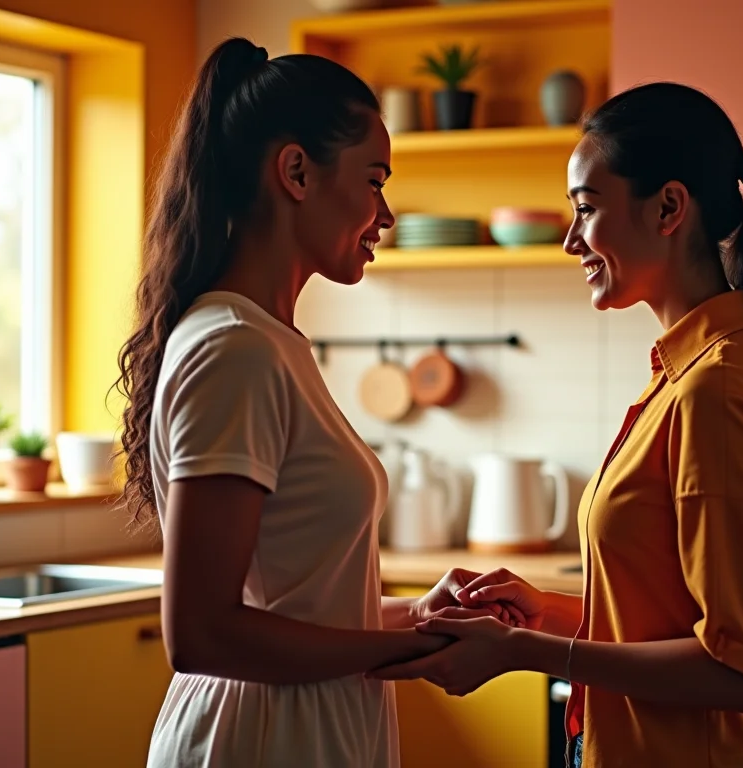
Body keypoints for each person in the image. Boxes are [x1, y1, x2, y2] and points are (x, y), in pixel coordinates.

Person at [369, 81, 743, 767]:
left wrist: (523, 652)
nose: (570, 241)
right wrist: (543, 610)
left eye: (586, 210)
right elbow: (659, 620)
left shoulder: (715, 391)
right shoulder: (685, 374)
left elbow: (739, 674)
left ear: (668, 208)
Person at [111, 37, 502, 768]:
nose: (385, 214)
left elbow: (292, 609)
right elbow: (201, 633)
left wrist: (415, 615)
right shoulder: (235, 349)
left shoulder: (269, 343)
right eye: (374, 179)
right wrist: (407, 647)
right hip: (255, 741)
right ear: (296, 172)